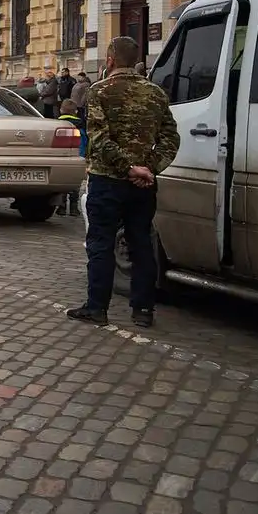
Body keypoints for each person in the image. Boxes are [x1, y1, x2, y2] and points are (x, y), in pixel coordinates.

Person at [67, 36, 180, 330]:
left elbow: (100, 138)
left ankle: (97, 307)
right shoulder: (156, 93)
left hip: (107, 180)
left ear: (110, 60)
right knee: (141, 242)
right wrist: (148, 168)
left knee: (101, 243)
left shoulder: (99, 91)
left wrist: (128, 167)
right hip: (143, 185)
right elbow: (171, 137)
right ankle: (143, 309)